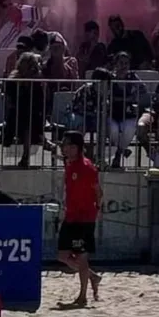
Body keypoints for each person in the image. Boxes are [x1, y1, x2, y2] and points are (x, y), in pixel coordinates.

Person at [59, 130, 102, 307]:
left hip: (84, 218)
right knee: (62, 255)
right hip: (71, 216)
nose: (66, 148)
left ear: (78, 148)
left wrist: (97, 209)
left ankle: (83, 297)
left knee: (82, 257)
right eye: (65, 145)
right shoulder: (69, 165)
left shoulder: (86, 167)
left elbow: (98, 191)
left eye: (70, 145)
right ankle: (92, 276)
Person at [107, 51, 146, 168]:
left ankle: (119, 153)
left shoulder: (132, 77)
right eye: (121, 63)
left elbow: (143, 89)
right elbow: (106, 94)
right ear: (115, 64)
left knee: (129, 129)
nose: (123, 66)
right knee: (113, 130)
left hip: (128, 113)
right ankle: (122, 150)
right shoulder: (110, 78)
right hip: (112, 114)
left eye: (126, 63)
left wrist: (134, 97)